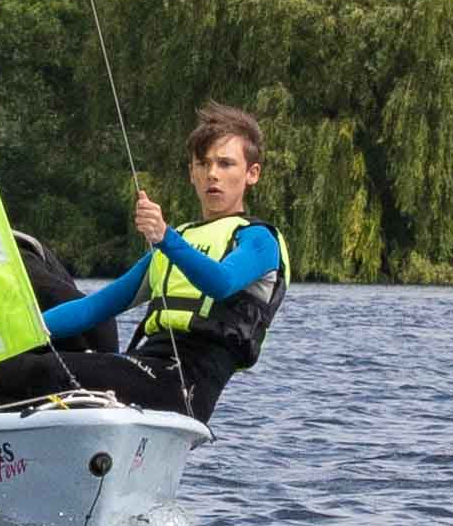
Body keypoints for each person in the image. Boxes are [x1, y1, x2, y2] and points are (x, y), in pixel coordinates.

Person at [16, 103, 290, 424]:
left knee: (31, 371)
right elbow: (93, 309)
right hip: (146, 366)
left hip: (187, 385)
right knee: (15, 360)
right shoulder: (177, 242)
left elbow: (221, 282)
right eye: (203, 164)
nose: (212, 173)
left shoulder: (258, 240)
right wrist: (15, 335)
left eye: (226, 164)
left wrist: (164, 236)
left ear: (251, 174)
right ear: (192, 173)